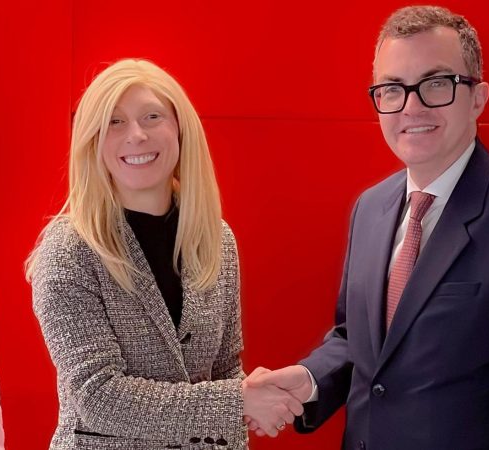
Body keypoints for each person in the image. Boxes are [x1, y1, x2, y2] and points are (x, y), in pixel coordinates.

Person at [245, 6, 489, 449]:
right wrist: (311, 378)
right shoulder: (370, 208)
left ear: (478, 97)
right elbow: (361, 342)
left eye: (436, 84)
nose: (412, 107)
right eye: (392, 89)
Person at [26, 59, 301, 449]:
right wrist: (240, 402)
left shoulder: (217, 240)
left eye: (151, 116)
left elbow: (225, 370)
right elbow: (98, 397)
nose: (136, 135)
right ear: (92, 142)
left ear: (180, 129)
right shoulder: (69, 250)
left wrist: (253, 401)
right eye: (114, 122)